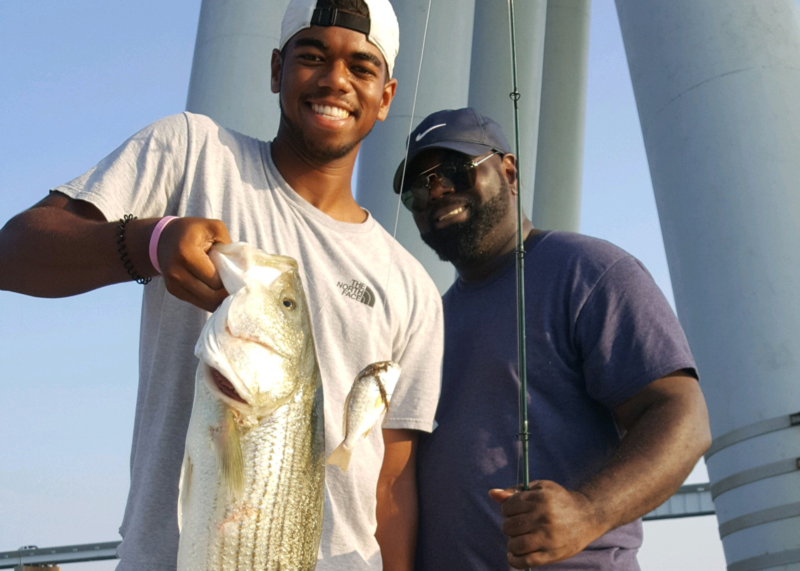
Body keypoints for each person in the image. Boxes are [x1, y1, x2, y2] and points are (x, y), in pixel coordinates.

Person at [0, 1, 443, 570]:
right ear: (276, 69)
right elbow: (16, 253)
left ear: (385, 97)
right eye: (312, 56)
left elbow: (390, 486)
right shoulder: (192, 153)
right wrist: (149, 243)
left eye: (361, 67)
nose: (335, 79)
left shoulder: (410, 286)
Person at [393, 108, 711, 570]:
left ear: (509, 172)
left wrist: (588, 512)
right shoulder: (426, 321)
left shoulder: (588, 271)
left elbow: (684, 415)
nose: (437, 190)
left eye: (456, 171)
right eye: (419, 188)